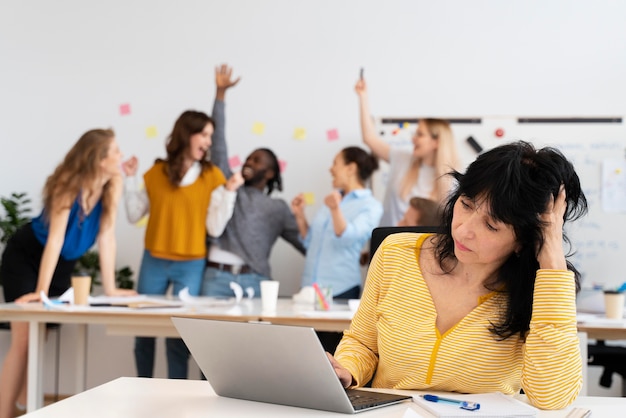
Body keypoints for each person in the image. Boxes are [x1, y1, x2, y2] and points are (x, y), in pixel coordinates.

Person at [328, 141, 588, 410]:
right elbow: (363, 343)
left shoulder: (541, 286)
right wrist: (347, 368)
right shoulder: (397, 252)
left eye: (491, 225)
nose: (463, 231)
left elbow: (552, 397)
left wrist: (553, 263)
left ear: (524, 238)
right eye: (465, 204)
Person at [0, 129, 137, 418]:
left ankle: (24, 407)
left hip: (62, 262)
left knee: (42, 335)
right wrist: (40, 292)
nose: (121, 156)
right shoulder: (67, 184)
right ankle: (5, 412)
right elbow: (55, 239)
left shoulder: (113, 184)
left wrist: (111, 290)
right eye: (115, 151)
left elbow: (107, 237)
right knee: (24, 338)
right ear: (99, 158)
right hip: (28, 255)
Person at [122, 86, 244, 379]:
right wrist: (129, 179)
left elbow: (214, 227)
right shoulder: (156, 173)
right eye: (204, 134)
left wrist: (228, 193)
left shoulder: (212, 176)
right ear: (186, 135)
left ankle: (174, 394)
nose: (208, 141)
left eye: (211, 136)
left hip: (191, 264)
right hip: (154, 260)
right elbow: (134, 214)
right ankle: (142, 388)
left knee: (179, 336)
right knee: (144, 333)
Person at [202, 64, 305, 298]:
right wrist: (220, 95)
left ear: (270, 174)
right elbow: (218, 144)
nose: (248, 162)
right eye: (248, 158)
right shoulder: (231, 185)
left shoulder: (277, 209)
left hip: (255, 281)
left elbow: (305, 243)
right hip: (215, 278)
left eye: (257, 161)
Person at [355, 77, 461, 226]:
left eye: (420, 134)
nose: (413, 139)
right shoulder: (402, 158)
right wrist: (363, 96)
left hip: (415, 246)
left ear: (436, 142)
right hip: (385, 241)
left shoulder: (450, 181)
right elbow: (369, 138)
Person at [291, 146, 383, 300]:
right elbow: (309, 241)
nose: (330, 169)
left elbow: (347, 237)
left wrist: (335, 209)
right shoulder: (333, 199)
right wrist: (300, 216)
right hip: (309, 288)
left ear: (351, 168)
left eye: (335, 163)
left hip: (341, 289)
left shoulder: (371, 206)